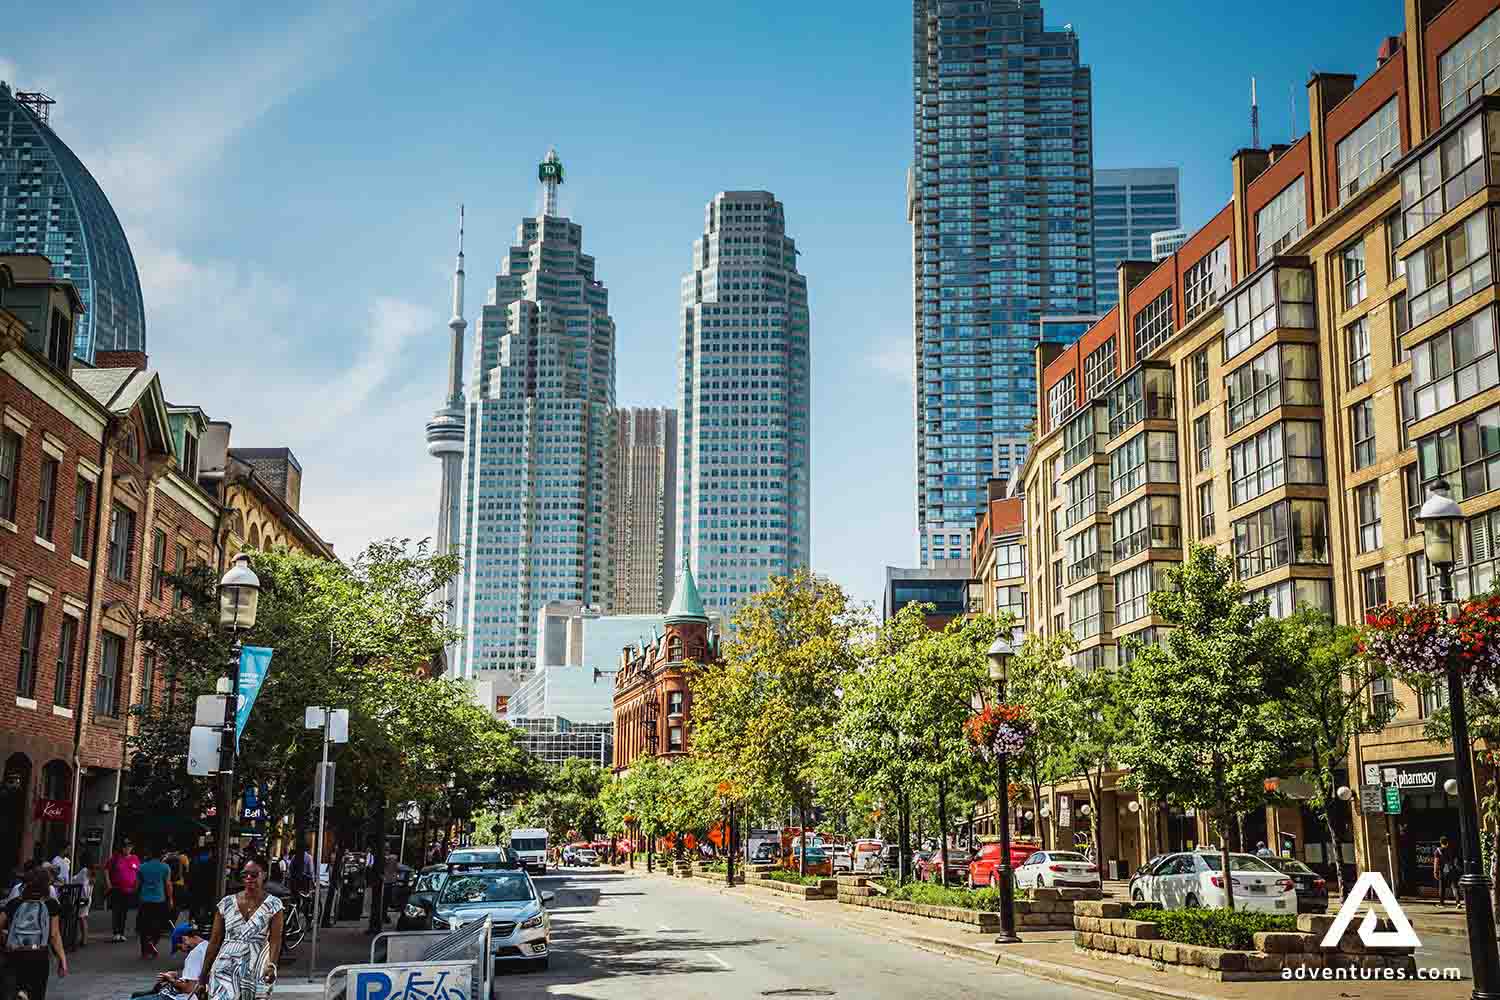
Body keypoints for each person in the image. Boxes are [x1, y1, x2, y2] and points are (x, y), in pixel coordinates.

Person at [200, 858, 283, 1000]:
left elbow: (275, 939)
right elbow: (214, 941)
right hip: (225, 967)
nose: (249, 878)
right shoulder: (226, 903)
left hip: (256, 967)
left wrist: (272, 965)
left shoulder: (273, 905)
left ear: (264, 874)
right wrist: (203, 975)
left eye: (254, 874)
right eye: (245, 874)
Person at [0, 868, 68, 1000]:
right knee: (37, 993)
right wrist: (62, 959)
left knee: (13, 989)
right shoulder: (51, 904)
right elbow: (54, 935)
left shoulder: (14, 903)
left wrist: (4, 937)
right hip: (38, 956)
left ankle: (21, 992)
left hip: (14, 954)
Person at [130, 921, 210, 1000]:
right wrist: (178, 975)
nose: (182, 950)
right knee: (136, 995)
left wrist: (172, 980)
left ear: (184, 938)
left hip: (180, 997)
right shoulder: (207, 945)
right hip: (187, 993)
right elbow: (196, 976)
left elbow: (189, 988)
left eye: (180, 947)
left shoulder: (194, 954)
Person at [137, 848, 173, 958]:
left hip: (145, 899)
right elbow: (168, 884)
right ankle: (152, 942)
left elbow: (138, 884)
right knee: (158, 925)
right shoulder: (165, 867)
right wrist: (170, 898)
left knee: (144, 926)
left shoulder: (142, 867)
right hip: (159, 899)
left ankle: (144, 950)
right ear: (161, 856)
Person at [105, 840, 142, 942]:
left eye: (129, 847)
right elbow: (107, 869)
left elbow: (138, 872)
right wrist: (109, 884)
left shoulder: (135, 858)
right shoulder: (116, 858)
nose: (127, 849)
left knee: (124, 912)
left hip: (129, 890)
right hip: (117, 888)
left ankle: (121, 932)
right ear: (122, 848)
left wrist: (136, 885)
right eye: (125, 847)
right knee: (117, 910)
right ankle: (116, 932)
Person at [68, 855, 94, 948]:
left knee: (81, 918)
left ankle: (84, 939)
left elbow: (76, 880)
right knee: (83, 918)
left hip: (82, 897)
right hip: (87, 897)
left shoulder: (84, 871)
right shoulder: (91, 871)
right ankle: (84, 938)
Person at [1435, 836, 1463, 907]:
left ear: (1440, 842)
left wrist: (1435, 872)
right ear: (1447, 842)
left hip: (1443, 870)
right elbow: (1456, 860)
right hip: (1452, 869)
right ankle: (1458, 902)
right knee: (1454, 886)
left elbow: (1436, 862)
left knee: (1442, 887)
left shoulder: (1438, 850)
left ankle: (1441, 903)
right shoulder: (1451, 849)